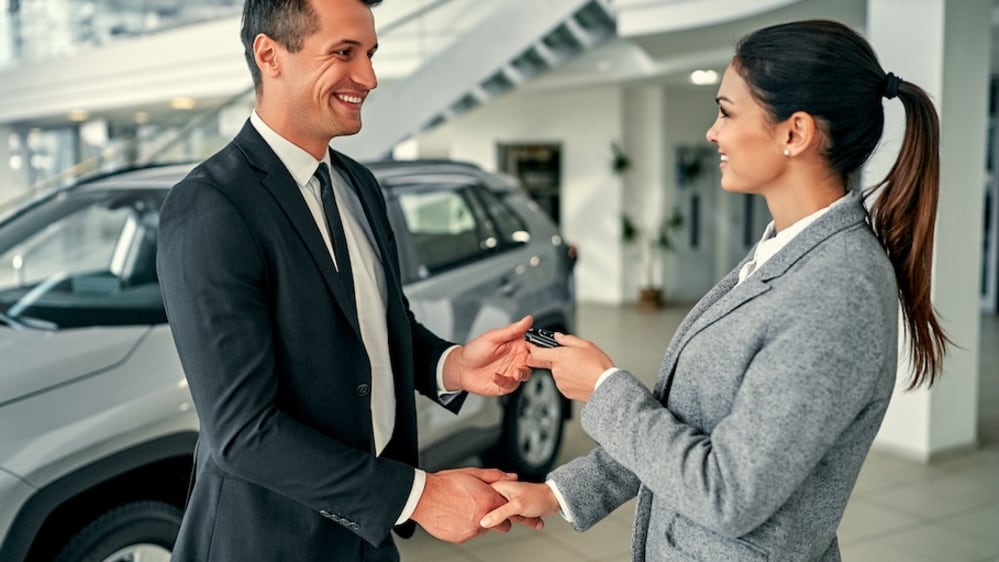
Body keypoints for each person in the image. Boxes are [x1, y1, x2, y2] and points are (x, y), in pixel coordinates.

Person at [480, 19, 949, 561]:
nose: (712, 132)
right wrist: (558, 494)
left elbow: (729, 492)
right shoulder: (786, 251)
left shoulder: (838, 288)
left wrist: (604, 388)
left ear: (794, 133)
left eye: (726, 112)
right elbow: (692, 423)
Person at [157, 0, 541, 560]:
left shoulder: (359, 184)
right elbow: (243, 434)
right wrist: (419, 496)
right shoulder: (211, 207)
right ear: (270, 55)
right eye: (344, 53)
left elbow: (376, 327)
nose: (368, 77)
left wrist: (450, 364)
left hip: (366, 537)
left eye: (370, 54)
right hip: (267, 540)